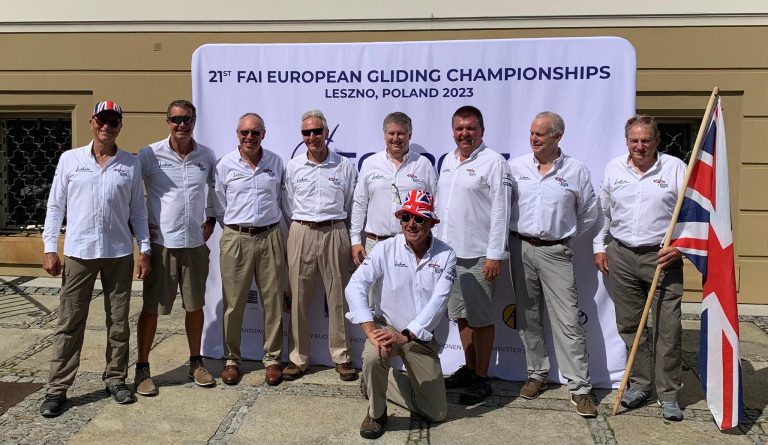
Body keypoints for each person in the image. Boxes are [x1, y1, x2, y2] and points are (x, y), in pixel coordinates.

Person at [40, 100, 151, 417]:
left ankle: (115, 379)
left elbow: (138, 211)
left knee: (118, 323)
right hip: (80, 253)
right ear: (91, 122)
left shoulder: (130, 164)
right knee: (69, 322)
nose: (107, 126)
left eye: (113, 121)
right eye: (102, 120)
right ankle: (57, 388)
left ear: (120, 126)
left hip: (118, 253)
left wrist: (145, 250)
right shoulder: (70, 159)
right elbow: (55, 206)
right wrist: (50, 247)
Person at [593, 115, 686, 421]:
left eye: (646, 140)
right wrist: (599, 246)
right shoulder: (614, 168)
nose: (640, 146)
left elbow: (691, 214)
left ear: (657, 141)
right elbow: (604, 213)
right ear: (627, 142)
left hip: (662, 257)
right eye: (634, 140)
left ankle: (668, 393)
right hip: (622, 255)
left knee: (667, 329)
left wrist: (679, 247)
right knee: (630, 326)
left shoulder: (675, 168)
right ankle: (641, 385)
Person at [508, 111, 599, 417]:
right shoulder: (516, 167)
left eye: (540, 134)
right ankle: (537, 374)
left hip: (556, 251)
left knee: (568, 320)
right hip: (520, 247)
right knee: (528, 316)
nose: (533, 139)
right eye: (532, 133)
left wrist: (565, 236)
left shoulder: (576, 170)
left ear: (557, 137)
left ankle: (580, 388)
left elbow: (589, 212)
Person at [346, 190, 456, 440]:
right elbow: (355, 285)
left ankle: (379, 383)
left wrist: (407, 334)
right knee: (373, 357)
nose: (411, 224)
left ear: (431, 223)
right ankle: (376, 413)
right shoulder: (385, 248)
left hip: (419, 336)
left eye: (419, 218)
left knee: (437, 412)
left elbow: (439, 301)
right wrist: (371, 331)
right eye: (406, 217)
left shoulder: (446, 255)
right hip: (387, 328)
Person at [133, 99, 217, 396]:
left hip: (194, 245)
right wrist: (140, 233)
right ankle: (142, 368)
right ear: (167, 121)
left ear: (194, 121)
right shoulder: (149, 154)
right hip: (162, 244)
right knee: (151, 309)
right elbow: (131, 192)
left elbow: (214, 189)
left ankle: (195, 362)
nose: (182, 125)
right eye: (177, 119)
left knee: (195, 306)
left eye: (187, 119)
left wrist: (211, 216)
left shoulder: (206, 155)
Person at [434, 105, 511, 405]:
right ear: (453, 130)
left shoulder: (494, 162)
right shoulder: (448, 161)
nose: (464, 134)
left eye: (470, 128)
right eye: (459, 128)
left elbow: (501, 211)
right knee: (461, 316)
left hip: (479, 255)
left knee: (481, 319)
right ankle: (469, 368)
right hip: (450, 254)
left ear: (482, 130)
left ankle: (482, 377)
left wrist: (494, 255)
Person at [281, 110, 358, 382]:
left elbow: (350, 203)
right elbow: (287, 204)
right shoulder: (293, 167)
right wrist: (302, 227)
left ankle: (342, 357)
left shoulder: (344, 166)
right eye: (307, 132)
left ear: (326, 133)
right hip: (301, 230)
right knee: (298, 297)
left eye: (317, 131)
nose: (312, 137)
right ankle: (298, 357)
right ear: (302, 136)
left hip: (335, 230)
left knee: (337, 297)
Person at [214, 112, 285, 386]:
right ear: (237, 134)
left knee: (273, 301)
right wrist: (237, 228)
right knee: (233, 304)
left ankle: (273, 358)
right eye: (245, 132)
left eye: (255, 132)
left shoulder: (275, 162)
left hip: (270, 236)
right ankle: (231, 359)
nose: (250, 137)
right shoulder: (225, 165)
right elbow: (220, 204)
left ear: (263, 134)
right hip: (236, 238)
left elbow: (280, 198)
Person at [350, 111, 437, 275]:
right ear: (384, 135)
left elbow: (434, 205)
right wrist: (355, 241)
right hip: (375, 245)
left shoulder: (423, 165)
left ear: (410, 135)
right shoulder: (370, 164)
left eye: (401, 133)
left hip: (413, 246)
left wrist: (435, 243)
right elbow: (360, 204)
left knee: (411, 291)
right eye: (391, 133)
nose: (396, 138)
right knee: (374, 291)